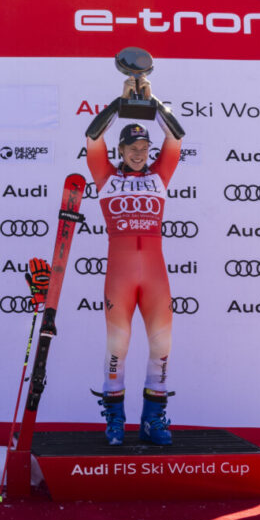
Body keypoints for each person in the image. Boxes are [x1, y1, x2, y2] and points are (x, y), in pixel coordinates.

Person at [84, 76, 185, 445]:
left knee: (162, 347)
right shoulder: (105, 177)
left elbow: (175, 138)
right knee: (118, 346)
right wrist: (119, 102)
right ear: (121, 151)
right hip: (120, 273)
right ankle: (114, 420)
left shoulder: (160, 176)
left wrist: (153, 101)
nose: (140, 152)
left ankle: (152, 420)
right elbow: (93, 138)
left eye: (144, 146)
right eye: (132, 146)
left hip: (155, 274)